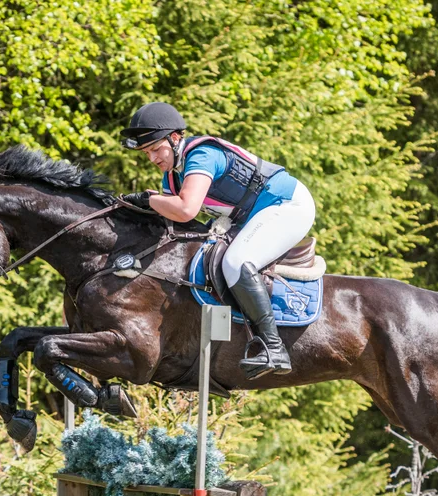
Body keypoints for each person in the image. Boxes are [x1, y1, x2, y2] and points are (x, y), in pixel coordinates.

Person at [120, 102, 316, 379]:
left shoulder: (202, 155)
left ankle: (274, 347)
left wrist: (149, 199)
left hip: (286, 204)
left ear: (175, 138)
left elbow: (186, 208)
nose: (152, 158)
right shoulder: (172, 178)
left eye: (155, 149)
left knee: (236, 262)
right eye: (146, 153)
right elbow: (178, 223)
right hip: (254, 214)